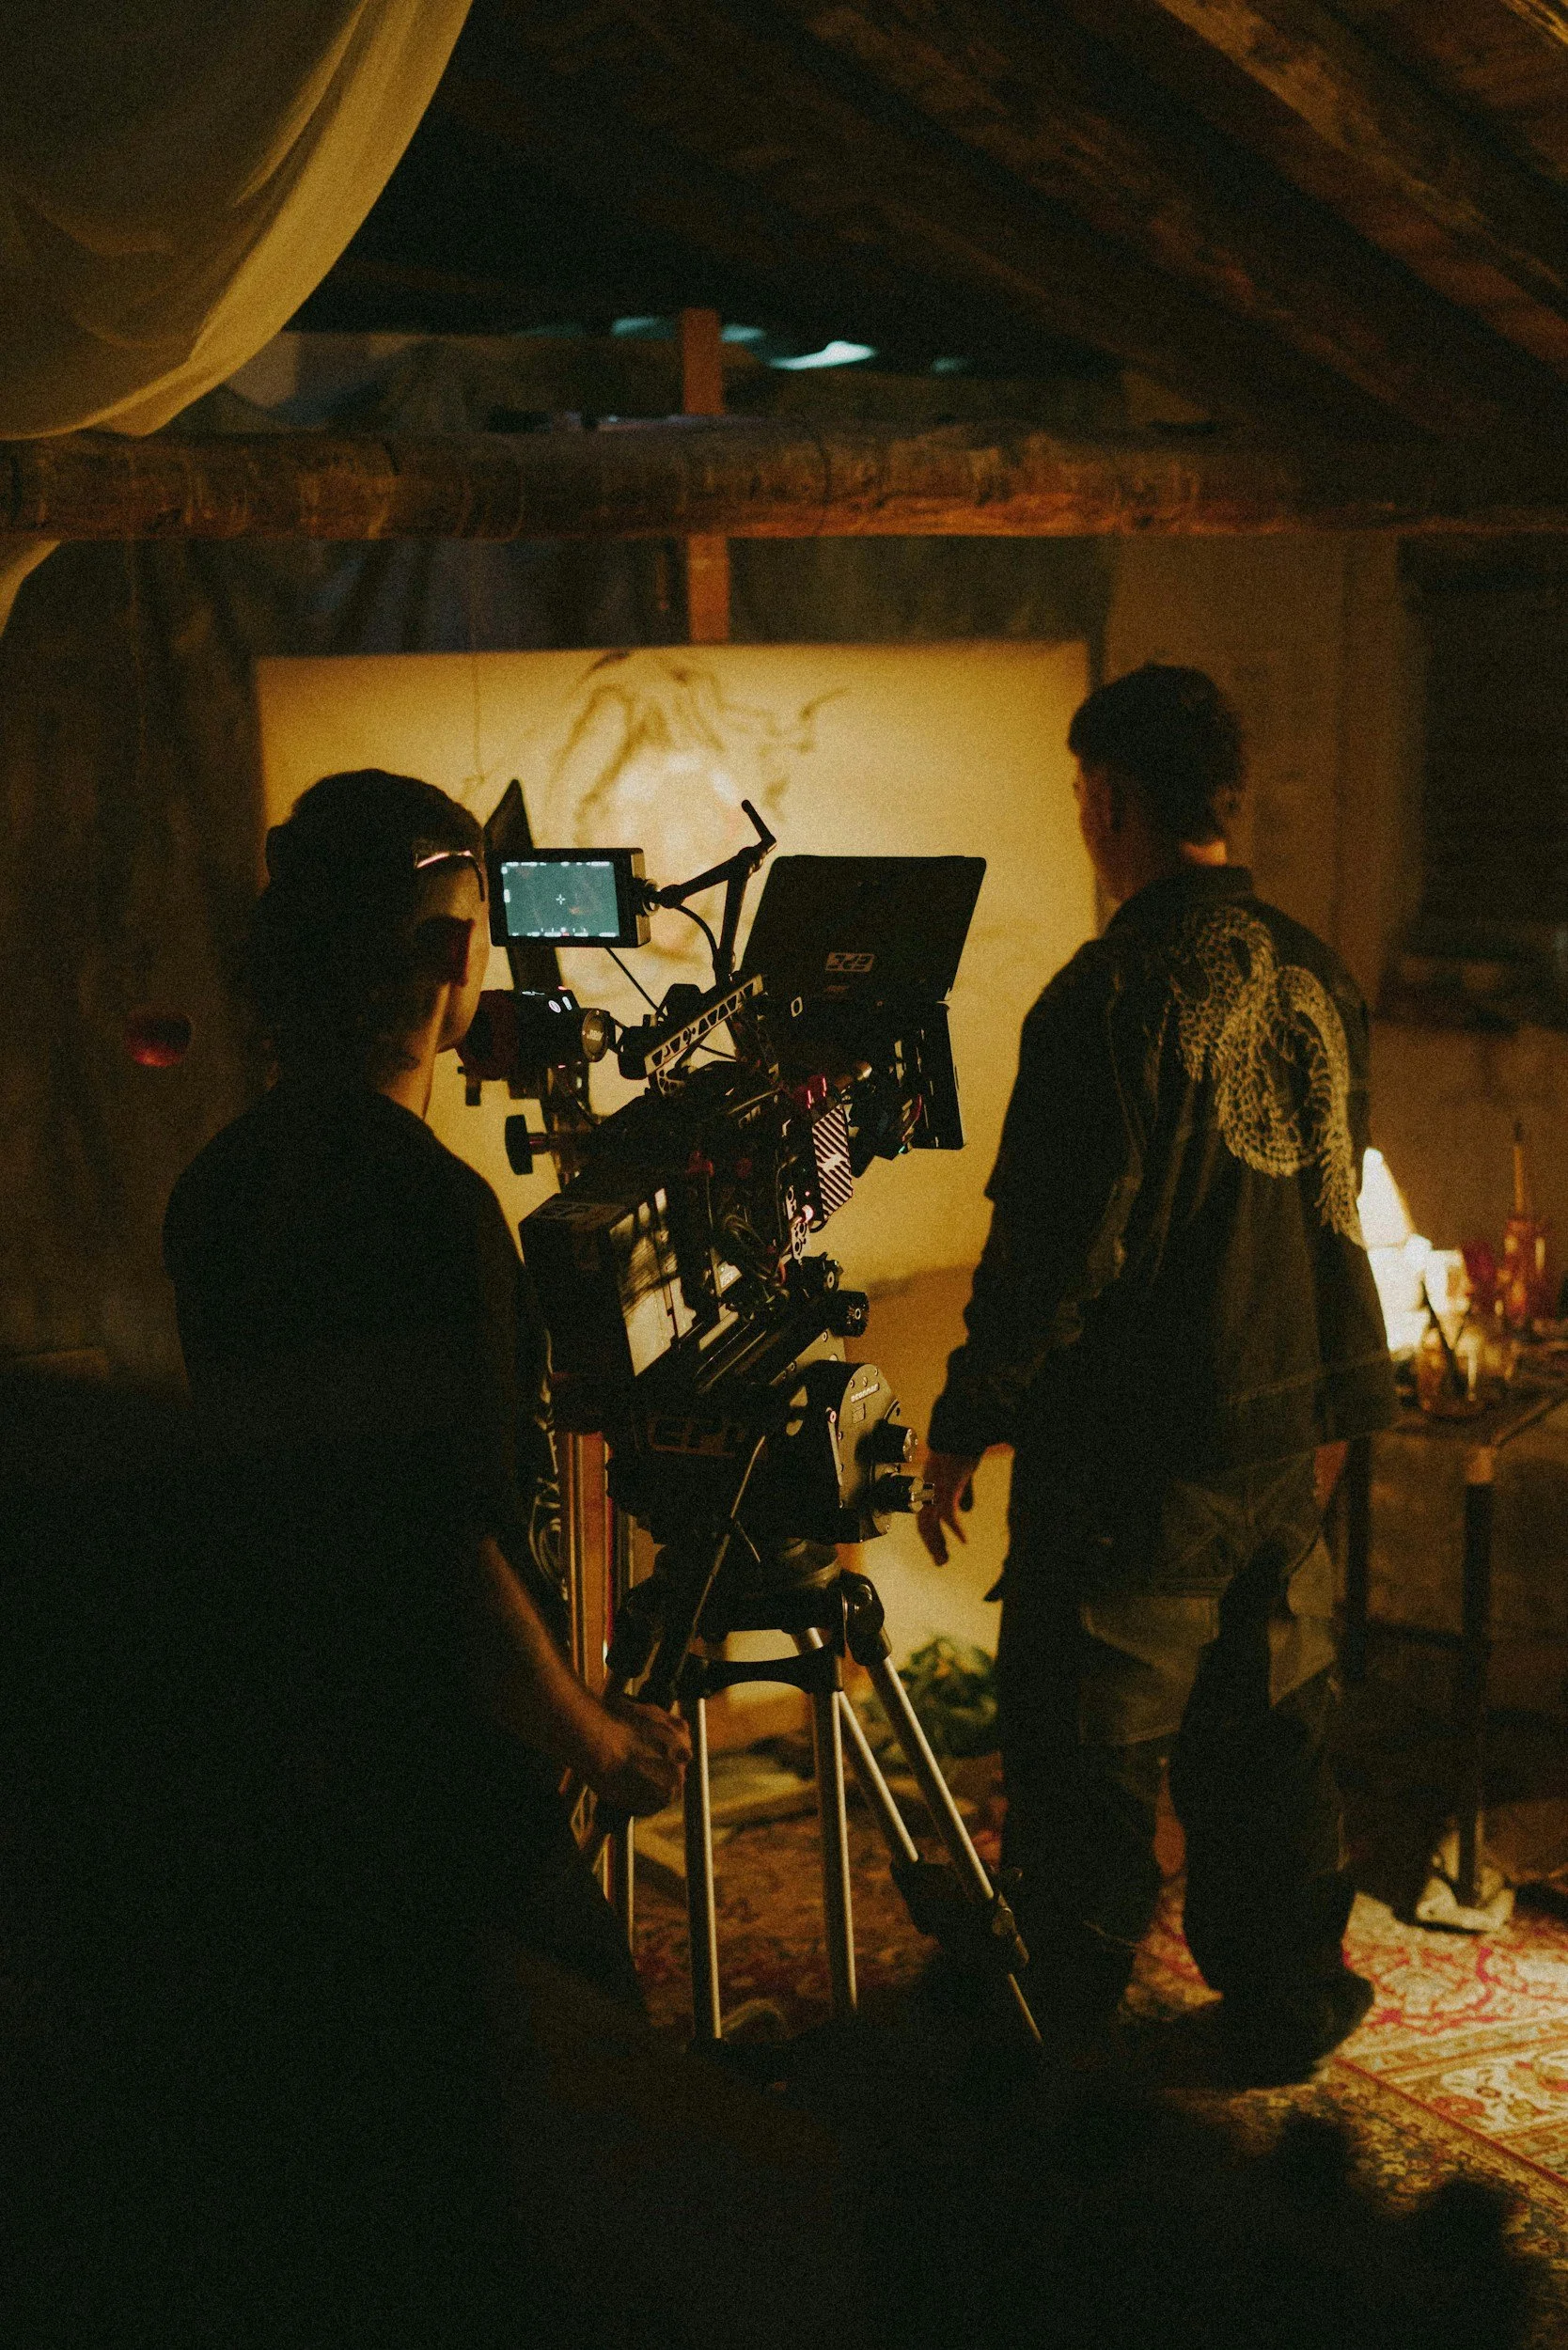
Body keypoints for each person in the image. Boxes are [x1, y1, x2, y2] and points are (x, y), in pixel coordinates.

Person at [159, 770, 690, 2336]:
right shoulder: (433, 1213)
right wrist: (591, 1739)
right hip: (444, 1773)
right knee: (598, 2103)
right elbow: (440, 1545)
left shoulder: (217, 1189)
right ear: (448, 961)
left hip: (282, 1743)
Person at [917, 666, 1397, 2081]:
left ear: (1112, 800)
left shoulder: (1106, 996)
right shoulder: (1321, 974)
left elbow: (1055, 1249)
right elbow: (1331, 1214)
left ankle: (1054, 2026)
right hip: (1285, 1440)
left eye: (1085, 796)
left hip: (1137, 1460)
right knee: (1271, 1739)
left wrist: (968, 1415)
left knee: (1088, 1753)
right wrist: (1340, 1410)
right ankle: (1288, 1997)